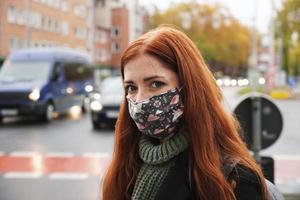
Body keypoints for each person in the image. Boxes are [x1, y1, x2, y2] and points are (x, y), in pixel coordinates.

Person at [102, 26, 271, 200]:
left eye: (155, 84)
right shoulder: (127, 166)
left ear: (189, 87)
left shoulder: (234, 179)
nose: (140, 100)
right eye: (131, 87)